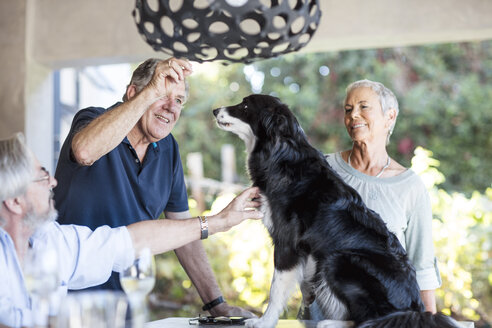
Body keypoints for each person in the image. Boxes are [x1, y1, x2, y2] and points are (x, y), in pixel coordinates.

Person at [53, 57, 254, 317]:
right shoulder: (94, 120)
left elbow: (185, 234)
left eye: (179, 100)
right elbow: (84, 151)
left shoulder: (168, 149)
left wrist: (216, 304)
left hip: (127, 307)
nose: (171, 107)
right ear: (134, 93)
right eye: (162, 95)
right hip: (68, 306)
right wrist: (152, 91)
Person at [0, 133, 263, 327]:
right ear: (14, 201)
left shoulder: (52, 241)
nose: (53, 181)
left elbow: (133, 240)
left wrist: (220, 221)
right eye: (43, 176)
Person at [301, 79, 441, 319]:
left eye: (364, 107)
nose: (354, 114)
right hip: (321, 319)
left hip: (382, 320)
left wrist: (428, 321)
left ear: (389, 117)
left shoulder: (410, 187)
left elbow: (422, 266)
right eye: (348, 109)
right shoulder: (321, 169)